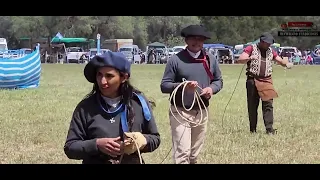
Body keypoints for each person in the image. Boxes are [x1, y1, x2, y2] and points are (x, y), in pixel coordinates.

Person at [64, 51, 160, 164]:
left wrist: (140, 142)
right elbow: (70, 147)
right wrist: (96, 144)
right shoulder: (85, 108)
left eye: (109, 76)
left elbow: (155, 139)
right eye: (99, 75)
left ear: (123, 77)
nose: (102, 81)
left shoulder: (139, 103)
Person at [160, 25, 223, 164]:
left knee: (194, 155)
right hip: (180, 111)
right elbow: (164, 85)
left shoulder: (210, 59)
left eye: (200, 39)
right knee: (183, 153)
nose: (197, 42)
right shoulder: (175, 60)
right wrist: (183, 86)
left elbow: (218, 81)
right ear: (186, 40)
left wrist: (211, 89)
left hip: (201, 111)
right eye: (193, 38)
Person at [237, 32, 293, 135]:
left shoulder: (271, 51)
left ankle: (269, 129)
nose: (268, 45)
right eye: (267, 43)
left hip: (267, 80)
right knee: (253, 106)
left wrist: (286, 64)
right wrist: (250, 58)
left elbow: (279, 60)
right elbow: (240, 59)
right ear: (261, 41)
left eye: (269, 44)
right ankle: (253, 130)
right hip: (252, 80)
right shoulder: (251, 48)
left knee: (268, 104)